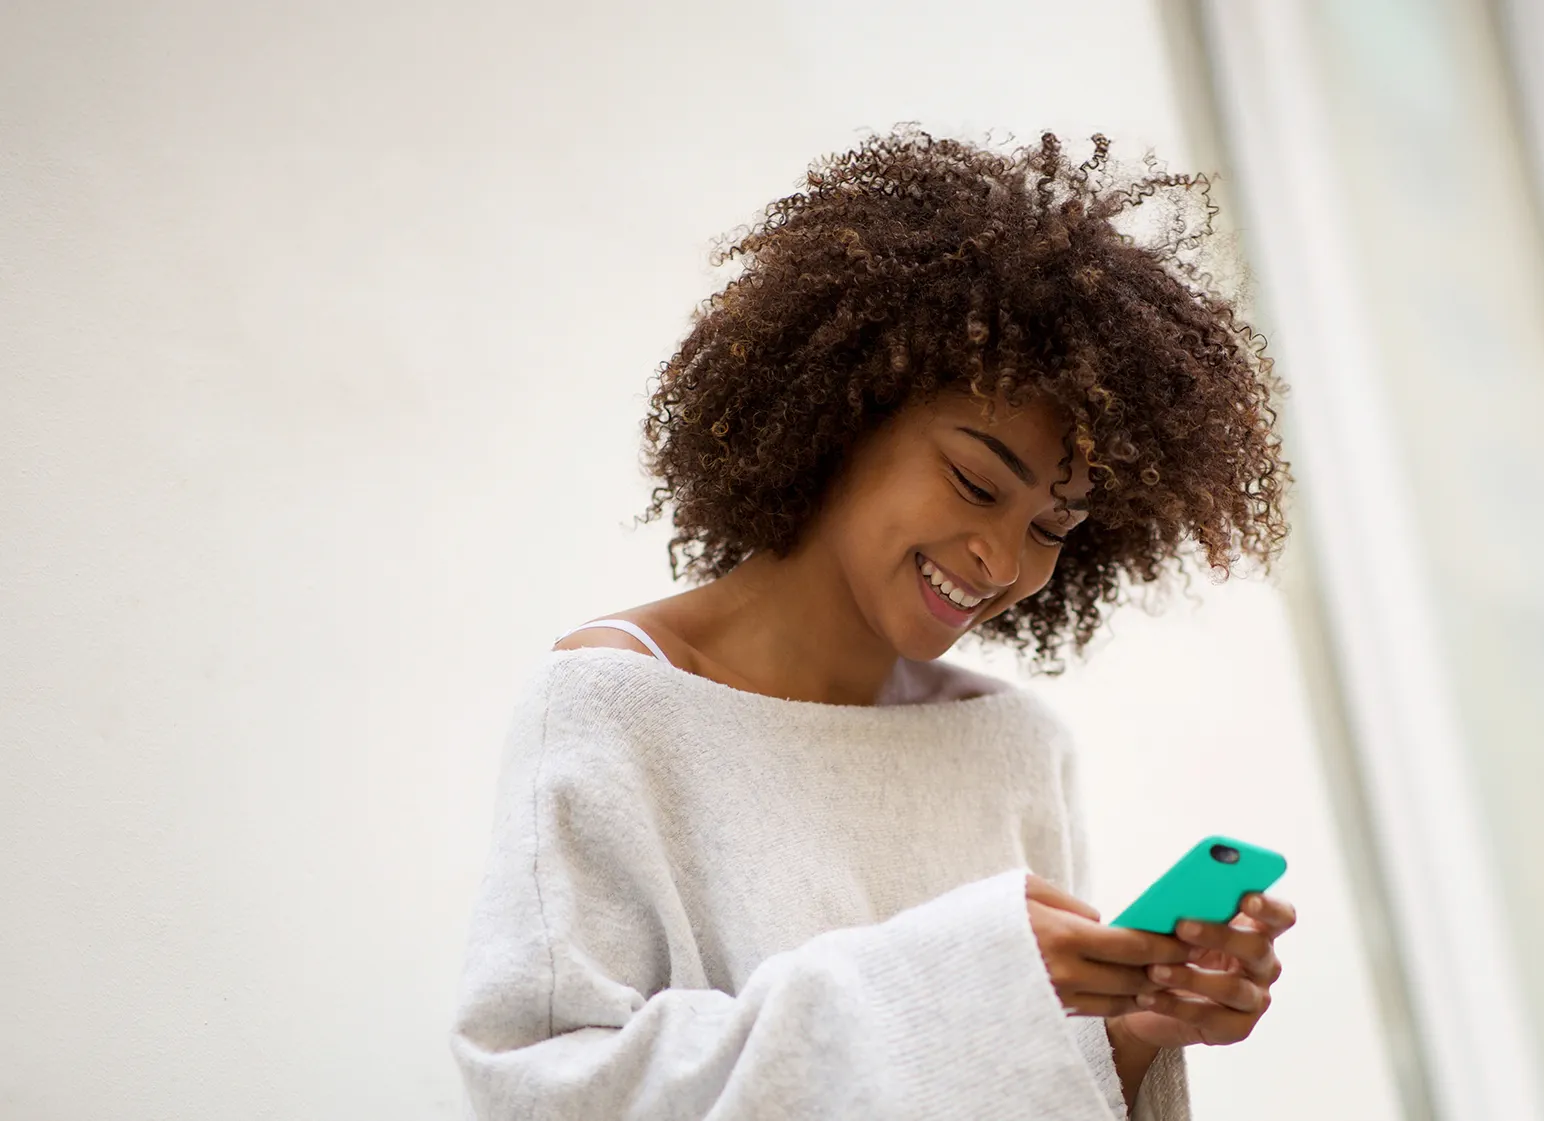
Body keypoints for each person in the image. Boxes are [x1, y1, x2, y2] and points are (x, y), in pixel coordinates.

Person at [449, 126, 1297, 1120]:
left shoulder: (1012, 748)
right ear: (849, 408)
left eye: (1052, 528)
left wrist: (1132, 1033)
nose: (1006, 560)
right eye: (976, 481)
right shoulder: (614, 704)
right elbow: (543, 1090)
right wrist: (961, 977)